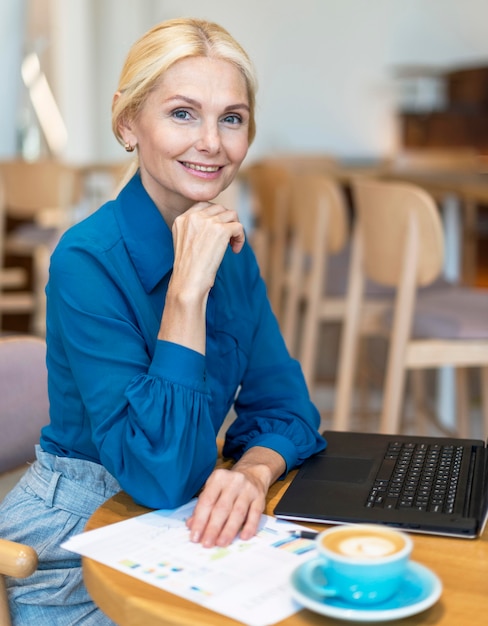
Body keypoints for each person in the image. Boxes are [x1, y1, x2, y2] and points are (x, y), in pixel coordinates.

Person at [0, 17, 325, 624]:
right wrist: (186, 291)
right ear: (129, 123)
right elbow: (160, 474)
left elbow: (289, 409)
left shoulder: (230, 248)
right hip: (69, 545)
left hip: (175, 524)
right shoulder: (86, 260)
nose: (211, 142)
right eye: (182, 113)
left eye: (231, 117)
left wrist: (253, 471)